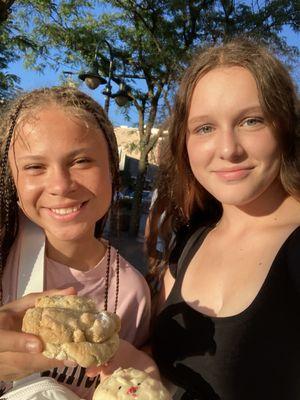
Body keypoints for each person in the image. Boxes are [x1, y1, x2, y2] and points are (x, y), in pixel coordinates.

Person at [89, 38, 300, 399]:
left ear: (285, 127)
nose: (228, 149)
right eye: (204, 128)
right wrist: (126, 361)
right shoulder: (190, 237)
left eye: (251, 120)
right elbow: (167, 365)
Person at [0, 86, 151, 399]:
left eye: (81, 160)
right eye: (34, 167)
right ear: (13, 180)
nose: (60, 185)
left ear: (113, 170)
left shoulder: (133, 293)